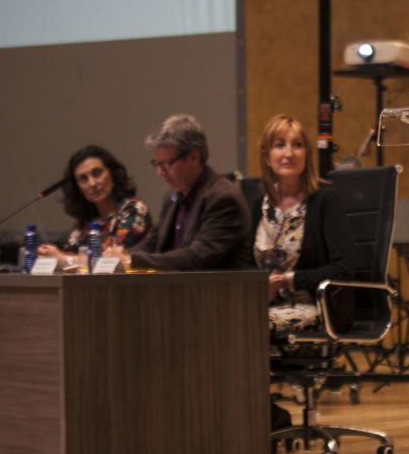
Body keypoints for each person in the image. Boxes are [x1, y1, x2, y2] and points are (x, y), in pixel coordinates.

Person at [104, 114, 253, 271]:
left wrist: (133, 260)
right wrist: (123, 254)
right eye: (157, 164)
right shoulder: (172, 195)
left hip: (219, 292)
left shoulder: (223, 198)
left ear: (194, 157)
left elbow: (197, 257)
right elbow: (154, 242)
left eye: (167, 164)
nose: (160, 172)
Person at [251, 114, 354, 334]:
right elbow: (242, 262)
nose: (289, 153)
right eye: (279, 145)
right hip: (262, 304)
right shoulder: (258, 204)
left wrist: (288, 280)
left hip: (315, 306)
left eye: (297, 145)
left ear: (306, 154)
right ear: (267, 157)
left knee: (249, 326)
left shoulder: (325, 200)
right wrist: (257, 286)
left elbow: (343, 268)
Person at [37, 145, 151, 268]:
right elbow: (69, 254)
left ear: (112, 174)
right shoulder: (86, 222)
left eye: (97, 173)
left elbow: (112, 261)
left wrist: (63, 259)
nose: (92, 183)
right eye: (83, 179)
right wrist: (50, 255)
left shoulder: (134, 210)